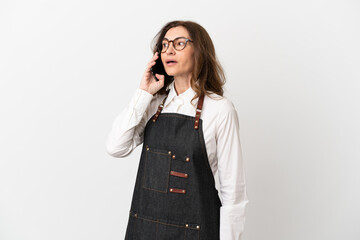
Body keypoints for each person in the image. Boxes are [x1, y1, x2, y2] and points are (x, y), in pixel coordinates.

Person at [106, 20, 249, 240]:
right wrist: (144, 92)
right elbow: (116, 147)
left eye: (179, 43)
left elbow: (233, 193)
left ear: (199, 51)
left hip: (196, 232)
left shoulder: (220, 110)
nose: (169, 50)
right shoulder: (153, 104)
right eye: (164, 45)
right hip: (145, 230)